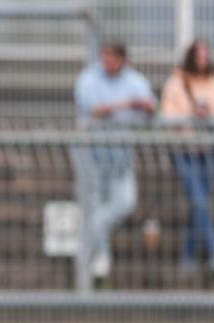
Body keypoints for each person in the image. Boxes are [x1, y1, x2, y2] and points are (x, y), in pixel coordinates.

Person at [74, 43, 156, 279]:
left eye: (112, 59)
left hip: (121, 157)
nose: (107, 63)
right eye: (104, 58)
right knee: (94, 202)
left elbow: (151, 107)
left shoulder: (135, 81)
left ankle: (89, 237)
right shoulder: (89, 78)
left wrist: (144, 106)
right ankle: (100, 259)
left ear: (123, 60)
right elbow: (94, 110)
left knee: (125, 203)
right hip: (92, 156)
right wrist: (128, 105)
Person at [160, 39, 214, 279]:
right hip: (184, 151)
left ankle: (188, 259)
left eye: (206, 54)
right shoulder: (176, 82)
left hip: (208, 151)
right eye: (199, 55)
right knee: (200, 203)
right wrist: (191, 114)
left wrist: (209, 114)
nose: (203, 59)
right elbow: (167, 116)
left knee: (199, 206)